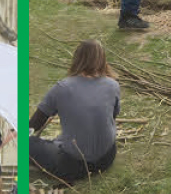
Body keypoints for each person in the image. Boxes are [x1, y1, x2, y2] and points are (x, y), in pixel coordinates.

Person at [29, 39, 119, 184]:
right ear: (102, 59)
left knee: (28, 143)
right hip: (107, 158)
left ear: (77, 59)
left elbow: (34, 125)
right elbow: (112, 117)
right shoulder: (113, 85)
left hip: (72, 166)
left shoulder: (62, 88)